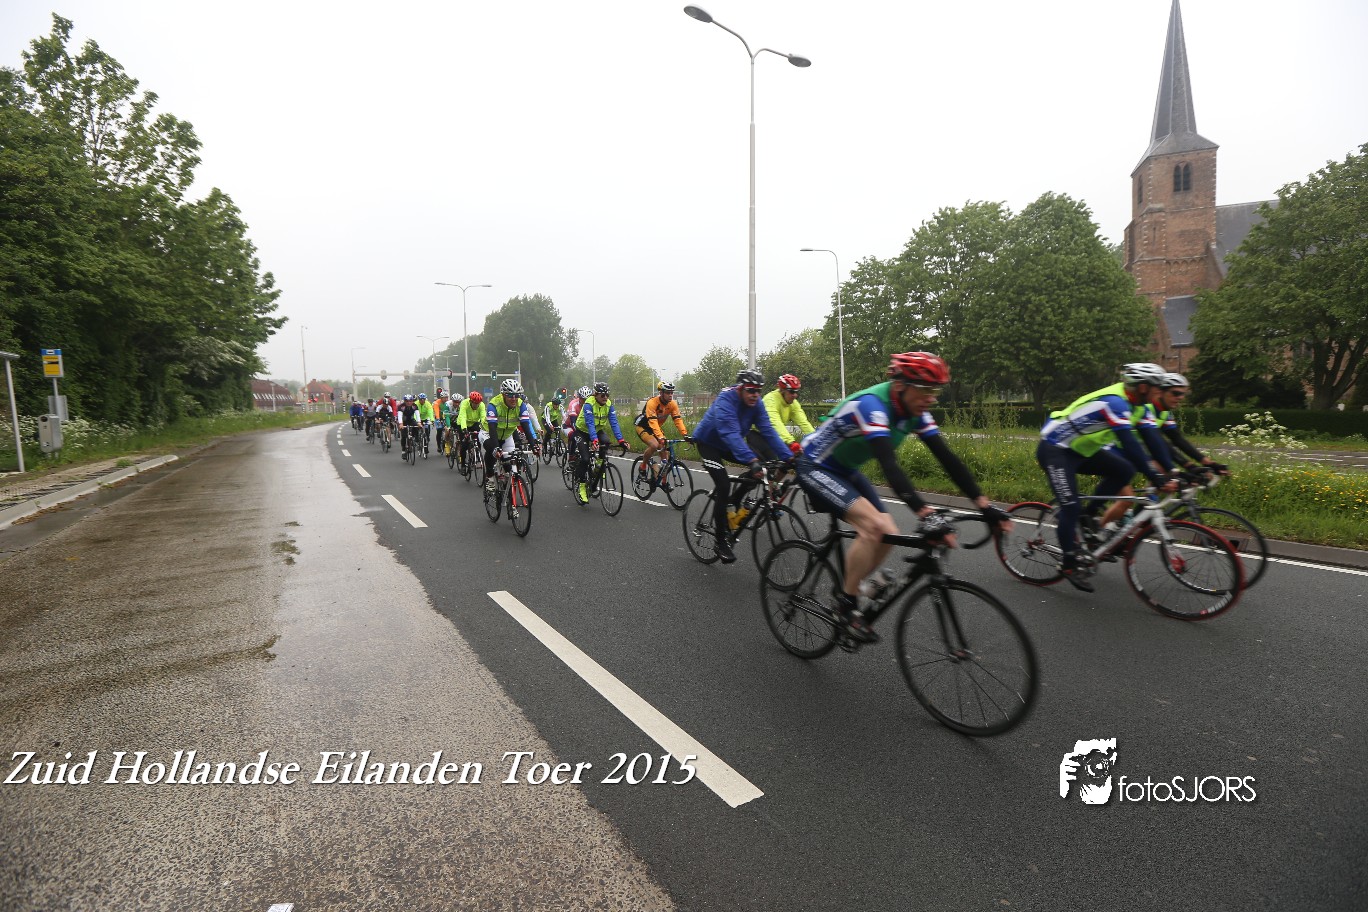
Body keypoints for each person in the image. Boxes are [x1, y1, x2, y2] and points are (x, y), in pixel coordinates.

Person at [795, 352, 1009, 641]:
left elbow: (947, 458)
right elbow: (889, 464)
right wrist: (924, 512)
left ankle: (852, 587)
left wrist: (985, 506)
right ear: (900, 385)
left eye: (935, 391)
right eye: (924, 389)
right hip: (815, 466)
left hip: (846, 470)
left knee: (890, 532)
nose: (930, 398)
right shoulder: (872, 405)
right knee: (873, 527)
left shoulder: (915, 411)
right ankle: (845, 603)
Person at [1038, 363, 1179, 591]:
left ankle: (1089, 515)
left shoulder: (1140, 406)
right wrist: (1154, 475)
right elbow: (1130, 444)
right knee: (1070, 507)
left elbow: (1153, 440)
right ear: (1143, 387)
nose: (1160, 393)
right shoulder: (1115, 402)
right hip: (1056, 449)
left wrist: (1172, 472)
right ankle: (1068, 564)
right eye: (1158, 388)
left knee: (1125, 470)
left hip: (1082, 450)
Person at [691, 369, 794, 564]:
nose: (755, 395)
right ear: (740, 388)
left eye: (758, 391)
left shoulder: (757, 404)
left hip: (730, 444)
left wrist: (788, 457)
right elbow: (729, 432)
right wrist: (751, 461)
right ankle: (720, 541)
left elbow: (768, 431)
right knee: (723, 485)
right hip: (709, 444)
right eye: (751, 390)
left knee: (762, 469)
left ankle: (735, 500)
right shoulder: (726, 400)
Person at [571, 382, 626, 505]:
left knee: (606, 442)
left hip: (597, 430)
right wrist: (594, 440)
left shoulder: (609, 404)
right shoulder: (589, 404)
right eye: (602, 395)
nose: (605, 397)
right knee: (585, 459)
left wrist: (621, 440)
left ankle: (598, 466)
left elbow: (614, 423)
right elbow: (590, 423)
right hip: (582, 431)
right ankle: (581, 486)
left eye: (607, 395)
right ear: (595, 395)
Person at [484, 379, 539, 490]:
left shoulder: (521, 405)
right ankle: (489, 478)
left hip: (507, 435)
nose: (514, 398)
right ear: (503, 395)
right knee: (492, 451)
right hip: (488, 433)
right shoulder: (494, 405)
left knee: (509, 465)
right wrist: (496, 448)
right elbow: (492, 429)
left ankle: (507, 488)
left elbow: (526, 426)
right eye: (510, 395)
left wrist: (533, 445)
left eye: (516, 395)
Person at [634, 381, 689, 481]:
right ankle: (643, 466)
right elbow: (653, 421)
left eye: (671, 392)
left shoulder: (672, 404)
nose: (670, 395)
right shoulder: (652, 402)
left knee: (665, 455)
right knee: (654, 445)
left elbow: (677, 420)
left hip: (656, 429)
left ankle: (663, 482)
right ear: (661, 393)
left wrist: (685, 434)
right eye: (668, 393)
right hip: (643, 426)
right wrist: (660, 437)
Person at [760, 374, 815, 458]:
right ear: (782, 390)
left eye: (796, 392)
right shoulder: (770, 400)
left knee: (790, 459)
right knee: (776, 459)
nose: (795, 395)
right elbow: (775, 422)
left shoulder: (793, 403)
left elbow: (804, 422)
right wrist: (791, 442)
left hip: (774, 435)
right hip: (759, 434)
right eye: (792, 392)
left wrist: (815, 438)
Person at [455, 392, 485, 466]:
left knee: (478, 438)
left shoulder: (482, 405)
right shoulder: (464, 403)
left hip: (474, 423)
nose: (476, 405)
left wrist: (485, 428)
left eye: (478, 403)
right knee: (464, 445)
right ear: (470, 401)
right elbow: (463, 417)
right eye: (475, 403)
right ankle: (463, 464)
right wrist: (464, 429)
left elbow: (483, 417)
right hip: (462, 423)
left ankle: (477, 453)